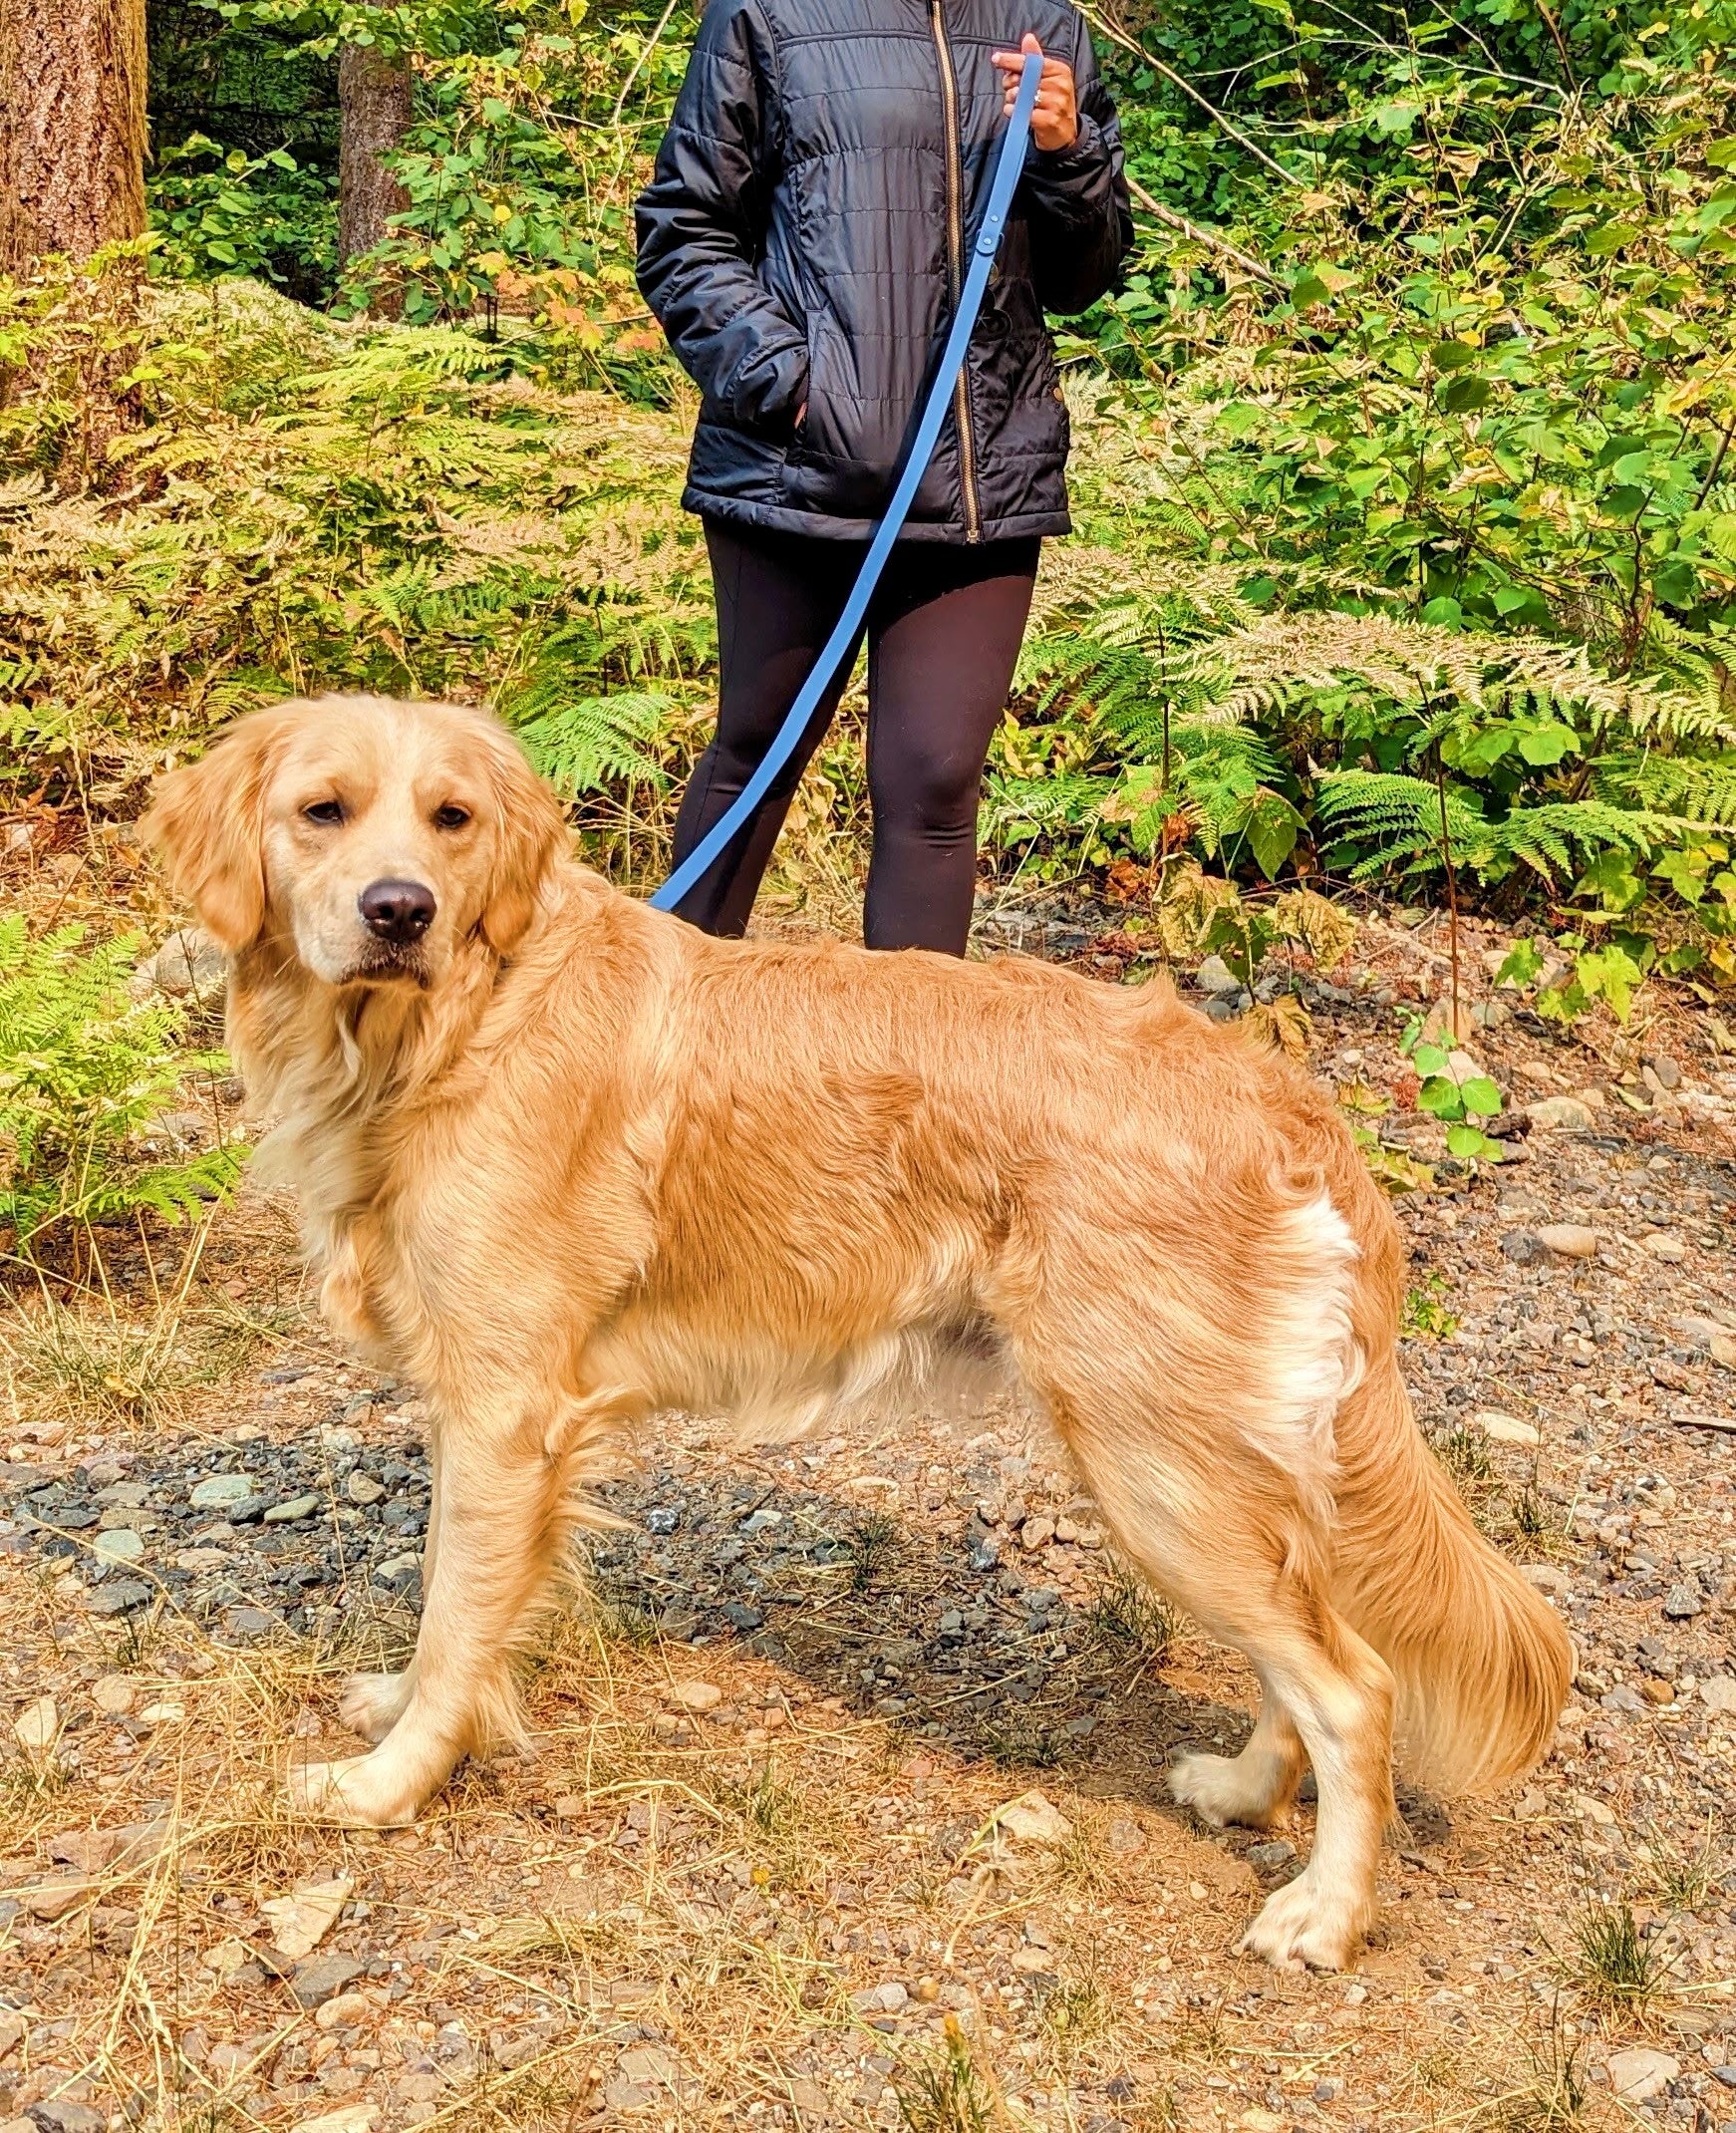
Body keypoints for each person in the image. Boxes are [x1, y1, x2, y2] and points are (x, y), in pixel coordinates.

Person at [635, 1, 1133, 953]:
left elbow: (1083, 278)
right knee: (756, 759)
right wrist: (789, 382)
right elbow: (683, 225)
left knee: (937, 785)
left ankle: (909, 1086)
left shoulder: (1044, 23)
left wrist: (1069, 157)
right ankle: (653, 1061)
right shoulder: (768, 13)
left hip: (984, 487)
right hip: (798, 475)